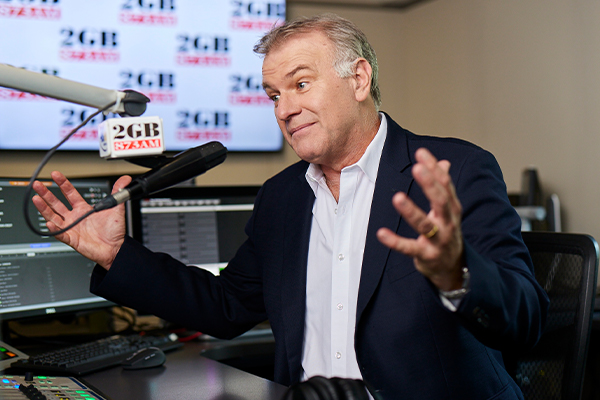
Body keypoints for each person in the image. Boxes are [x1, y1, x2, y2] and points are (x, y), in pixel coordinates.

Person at [32, 14, 548, 400]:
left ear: (359, 79)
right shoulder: (282, 196)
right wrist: (115, 254)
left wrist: (457, 272)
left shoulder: (455, 169)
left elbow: (527, 319)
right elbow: (227, 308)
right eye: (273, 95)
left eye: (301, 84)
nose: (284, 109)